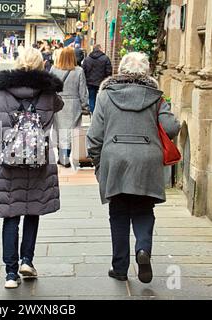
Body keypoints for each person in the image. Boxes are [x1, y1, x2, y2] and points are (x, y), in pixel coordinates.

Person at [87, 52, 180, 284]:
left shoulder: (106, 95)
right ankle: (143, 250)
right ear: (146, 72)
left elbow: (94, 136)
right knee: (143, 209)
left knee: (118, 213)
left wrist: (99, 165)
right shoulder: (156, 97)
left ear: (121, 70)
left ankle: (119, 268)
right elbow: (171, 127)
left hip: (114, 159)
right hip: (147, 161)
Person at [0, 47, 64, 289]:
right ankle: (27, 260)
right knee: (32, 211)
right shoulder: (47, 93)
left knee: (11, 215)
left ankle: (11, 274)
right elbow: (59, 106)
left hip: (6, 163)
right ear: (40, 66)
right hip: (38, 163)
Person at [50, 47, 88, 167]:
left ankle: (62, 157)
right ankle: (65, 157)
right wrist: (85, 105)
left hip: (58, 103)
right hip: (73, 104)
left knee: (59, 130)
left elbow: (50, 88)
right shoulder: (78, 71)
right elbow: (83, 91)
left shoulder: (54, 69)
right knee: (71, 132)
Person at [82, 44, 112, 113]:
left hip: (90, 83)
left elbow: (83, 71)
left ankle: (93, 114)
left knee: (91, 99)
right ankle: (100, 114)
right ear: (100, 49)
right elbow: (109, 72)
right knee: (101, 99)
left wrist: (86, 80)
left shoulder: (87, 59)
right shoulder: (105, 58)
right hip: (102, 83)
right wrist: (107, 81)